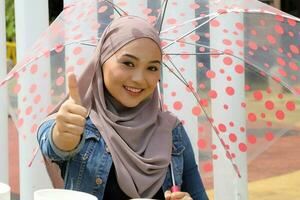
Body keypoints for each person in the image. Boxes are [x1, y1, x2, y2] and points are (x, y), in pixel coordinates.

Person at [37, 15, 209, 200]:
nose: (139, 78)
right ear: (102, 60)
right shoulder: (79, 122)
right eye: (128, 63)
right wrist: (63, 136)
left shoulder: (173, 132)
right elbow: (53, 141)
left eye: (152, 68)